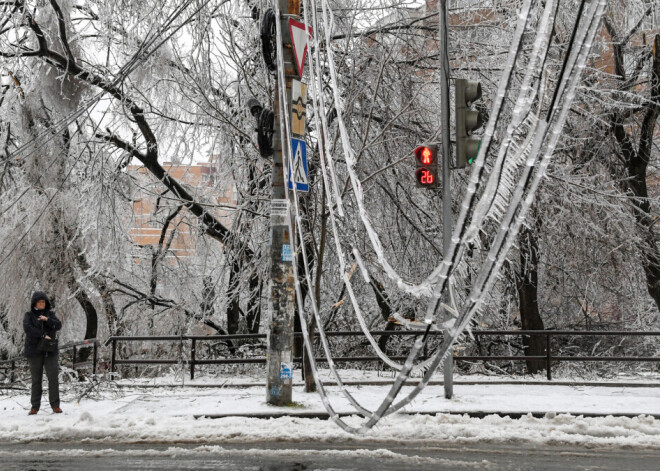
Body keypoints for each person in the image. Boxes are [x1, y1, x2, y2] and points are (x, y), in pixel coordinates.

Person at [23, 291, 62, 415]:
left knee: (53, 378)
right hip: (34, 351)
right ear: (35, 303)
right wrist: (43, 335)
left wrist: (47, 320)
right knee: (36, 380)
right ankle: (35, 406)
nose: (42, 304)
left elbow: (58, 325)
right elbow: (28, 329)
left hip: (50, 351)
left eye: (44, 301)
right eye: (40, 302)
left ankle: (55, 405)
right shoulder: (29, 315)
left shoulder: (50, 314)